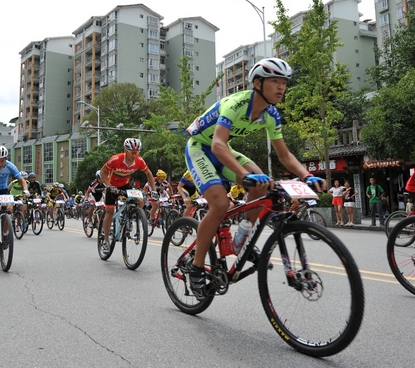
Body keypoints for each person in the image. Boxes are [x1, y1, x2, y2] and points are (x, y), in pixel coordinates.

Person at [184, 57, 324, 300]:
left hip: (223, 149)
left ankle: (240, 242)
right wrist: (243, 175)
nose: (281, 87)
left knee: (262, 183)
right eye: (275, 82)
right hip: (201, 147)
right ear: (258, 83)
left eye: (284, 82)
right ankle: (195, 267)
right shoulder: (236, 104)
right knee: (219, 204)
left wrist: (307, 175)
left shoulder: (271, 114)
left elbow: (284, 154)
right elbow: (217, 145)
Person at [98, 138, 157, 254]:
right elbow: (102, 172)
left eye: (137, 153)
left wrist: (154, 190)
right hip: (112, 186)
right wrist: (109, 186)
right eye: (132, 153)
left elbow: (149, 174)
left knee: (140, 200)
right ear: (126, 150)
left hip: (125, 185)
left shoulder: (139, 161)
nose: (134, 155)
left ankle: (130, 217)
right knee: (109, 211)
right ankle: (105, 240)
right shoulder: (115, 159)